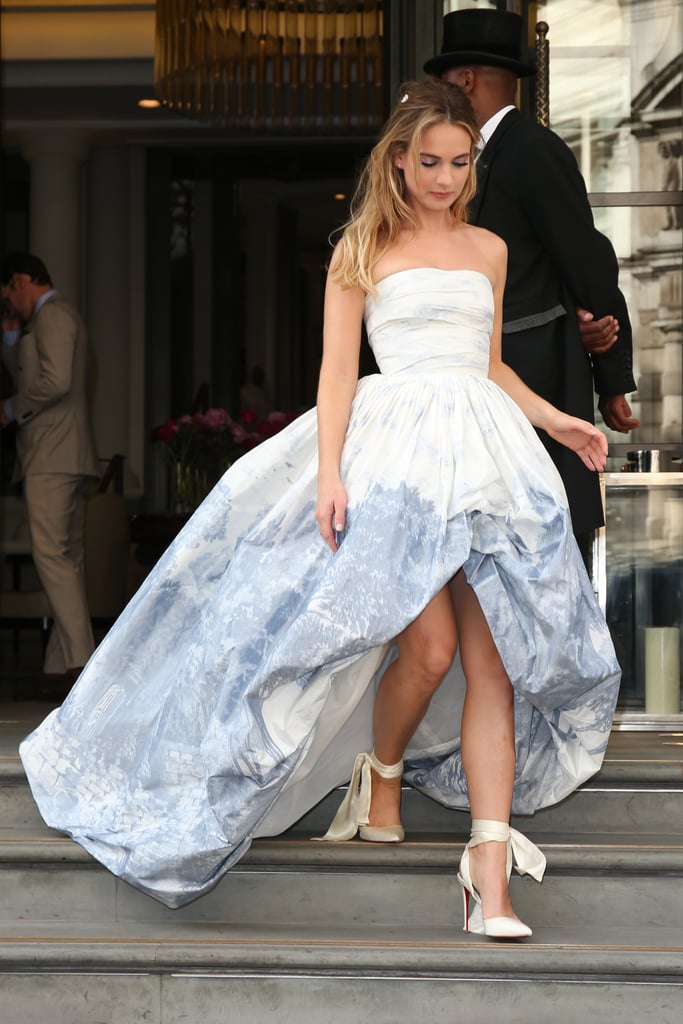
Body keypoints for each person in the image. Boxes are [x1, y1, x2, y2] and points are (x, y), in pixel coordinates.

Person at [19, 82, 620, 939]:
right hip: (398, 466)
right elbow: (338, 373)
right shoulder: (360, 248)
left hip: (488, 461)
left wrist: (559, 419)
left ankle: (489, 873)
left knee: (493, 663)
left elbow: (484, 364)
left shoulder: (488, 249)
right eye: (430, 162)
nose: (444, 178)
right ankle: (378, 773)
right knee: (430, 644)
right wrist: (330, 473)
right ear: (399, 159)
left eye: (459, 163)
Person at [424, 8, 639, 562]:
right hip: (466, 385)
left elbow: (588, 261)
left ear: (465, 79)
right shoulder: (458, 158)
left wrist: (611, 379)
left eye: (446, 83)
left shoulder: (533, 151)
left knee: (532, 546)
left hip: (529, 383)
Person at [1, 253, 99, 685]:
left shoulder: (54, 316)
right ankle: (60, 668)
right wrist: (10, 343)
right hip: (66, 453)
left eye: (8, 294)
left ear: (21, 281)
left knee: (52, 560)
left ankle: (82, 667)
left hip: (52, 455)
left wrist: (9, 408)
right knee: (67, 563)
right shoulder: (57, 319)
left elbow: (55, 382)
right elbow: (49, 377)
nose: (9, 305)